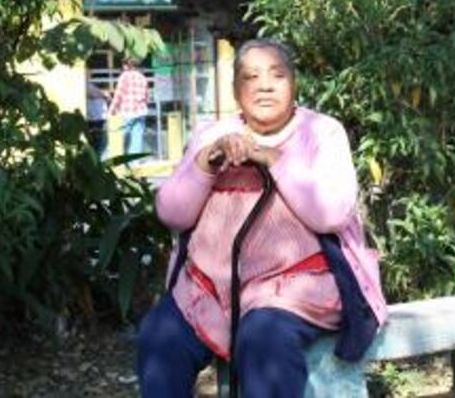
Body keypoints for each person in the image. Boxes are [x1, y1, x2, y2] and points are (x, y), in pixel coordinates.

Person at [137, 39, 387, 397]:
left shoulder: (321, 132)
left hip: (296, 287)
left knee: (263, 338)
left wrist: (272, 158)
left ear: (294, 84)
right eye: (251, 77)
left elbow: (330, 214)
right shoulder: (211, 135)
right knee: (160, 337)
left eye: (277, 75)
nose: (265, 85)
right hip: (208, 288)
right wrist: (206, 163)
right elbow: (172, 213)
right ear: (236, 90)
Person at [109, 59, 149, 155]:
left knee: (119, 136)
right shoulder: (142, 77)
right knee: (137, 138)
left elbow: (118, 95)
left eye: (123, 65)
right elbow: (146, 96)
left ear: (127, 65)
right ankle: (134, 161)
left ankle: (117, 158)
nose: (122, 67)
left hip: (127, 112)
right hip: (141, 112)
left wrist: (111, 111)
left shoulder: (124, 76)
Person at [85, 78, 109, 156]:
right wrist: (104, 94)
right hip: (95, 118)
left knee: (101, 143)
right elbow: (91, 92)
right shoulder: (85, 83)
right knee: (98, 143)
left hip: (98, 118)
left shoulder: (88, 84)